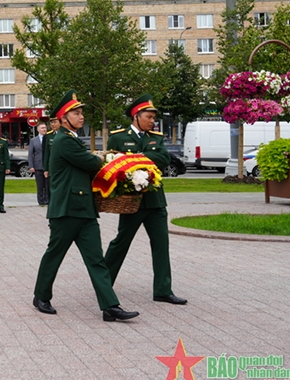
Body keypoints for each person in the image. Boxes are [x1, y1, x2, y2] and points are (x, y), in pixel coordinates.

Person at [33, 90, 139, 322]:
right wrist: (100, 158)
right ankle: (41, 295)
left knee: (96, 260)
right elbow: (89, 162)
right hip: (67, 210)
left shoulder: (72, 140)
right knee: (55, 254)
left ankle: (110, 306)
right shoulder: (63, 141)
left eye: (81, 113)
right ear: (63, 119)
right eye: (76, 113)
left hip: (84, 210)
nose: (81, 117)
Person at [104, 95, 187, 305]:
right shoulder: (118, 137)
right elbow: (113, 163)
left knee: (161, 245)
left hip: (156, 200)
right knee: (121, 243)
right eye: (148, 117)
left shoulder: (156, 137)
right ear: (136, 116)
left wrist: (135, 158)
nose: (152, 121)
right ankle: (103, 283)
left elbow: (164, 158)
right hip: (132, 202)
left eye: (153, 118)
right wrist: (145, 157)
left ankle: (163, 290)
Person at [28, 124, 49, 206]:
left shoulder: (49, 138)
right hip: (38, 165)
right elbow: (30, 154)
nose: (44, 129)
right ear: (38, 130)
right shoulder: (34, 140)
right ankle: (41, 201)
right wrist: (31, 166)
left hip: (47, 166)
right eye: (42, 128)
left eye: (45, 128)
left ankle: (47, 200)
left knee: (47, 184)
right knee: (40, 185)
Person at [42, 117, 60, 203]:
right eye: (51, 123)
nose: (52, 124)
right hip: (52, 167)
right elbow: (46, 154)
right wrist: (45, 169)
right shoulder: (49, 136)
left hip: (62, 167)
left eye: (55, 122)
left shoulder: (66, 134)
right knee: (51, 187)